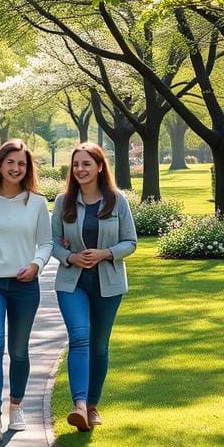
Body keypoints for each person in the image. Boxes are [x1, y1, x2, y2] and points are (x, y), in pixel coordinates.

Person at [0, 140, 52, 442]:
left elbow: (46, 243)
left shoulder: (37, 202)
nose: (16, 168)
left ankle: (16, 405)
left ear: (27, 168)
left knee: (18, 351)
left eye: (22, 164)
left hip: (25, 286)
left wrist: (36, 265)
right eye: (11, 162)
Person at [51, 143, 137, 431]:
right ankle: (78, 404)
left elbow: (130, 242)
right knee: (79, 336)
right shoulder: (63, 202)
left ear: (100, 167)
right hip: (71, 282)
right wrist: (70, 256)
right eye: (76, 164)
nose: (80, 169)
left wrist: (105, 253)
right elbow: (51, 243)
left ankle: (92, 405)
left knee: (99, 346)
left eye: (86, 164)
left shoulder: (116, 201)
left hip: (108, 284)